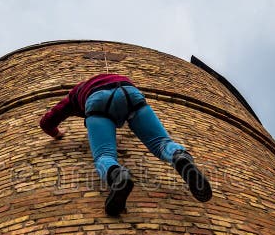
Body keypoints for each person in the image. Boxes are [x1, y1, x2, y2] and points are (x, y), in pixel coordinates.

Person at [40, 72, 212, 216]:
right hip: (128, 90)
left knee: (104, 155)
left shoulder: (75, 93)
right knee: (161, 143)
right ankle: (179, 156)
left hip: (96, 99)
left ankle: (117, 175)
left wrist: (56, 134)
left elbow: (47, 122)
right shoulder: (114, 76)